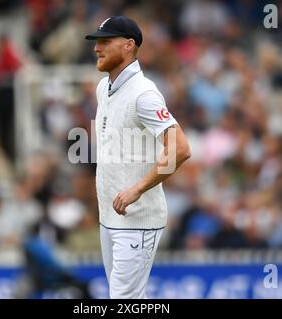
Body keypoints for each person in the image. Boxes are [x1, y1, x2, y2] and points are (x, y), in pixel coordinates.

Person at [85, 16, 191, 299]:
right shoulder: (102, 88)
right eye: (97, 41)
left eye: (105, 41)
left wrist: (138, 188)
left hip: (138, 220)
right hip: (110, 217)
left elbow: (180, 149)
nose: (97, 48)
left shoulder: (144, 94)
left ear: (129, 45)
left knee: (123, 301)